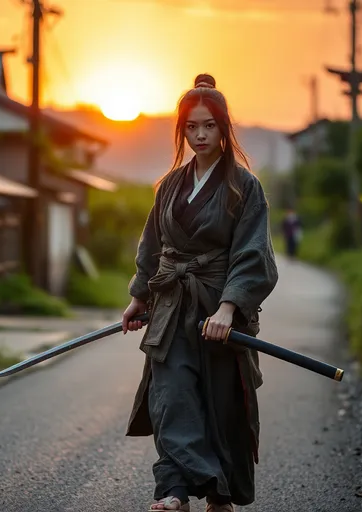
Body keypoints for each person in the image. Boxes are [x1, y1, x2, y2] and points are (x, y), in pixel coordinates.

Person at [121, 74, 278, 512]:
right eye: (192, 127)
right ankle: (172, 490)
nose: (200, 135)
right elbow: (153, 245)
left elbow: (253, 254)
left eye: (209, 125)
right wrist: (140, 296)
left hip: (218, 310)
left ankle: (218, 495)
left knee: (220, 405)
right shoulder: (169, 185)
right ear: (182, 129)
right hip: (171, 309)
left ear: (224, 128)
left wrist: (229, 308)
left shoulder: (244, 187)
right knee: (170, 397)